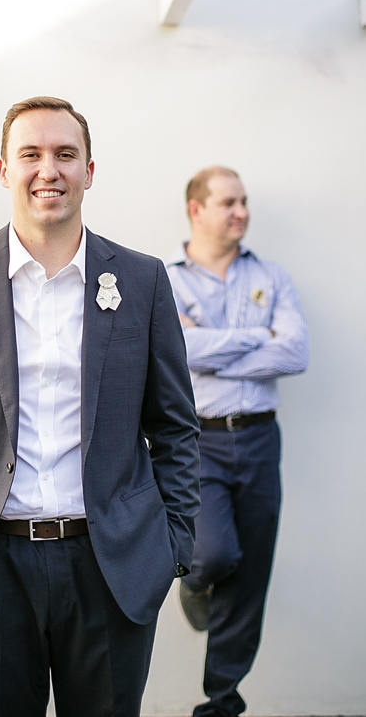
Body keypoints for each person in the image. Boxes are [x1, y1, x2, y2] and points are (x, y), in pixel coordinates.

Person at [0, 95, 200, 717]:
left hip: (112, 566)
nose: (48, 169)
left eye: (65, 154)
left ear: (90, 171)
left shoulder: (143, 279)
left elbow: (176, 426)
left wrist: (174, 542)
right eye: (31, 154)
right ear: (3, 170)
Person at [166, 165, 309, 717]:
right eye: (229, 202)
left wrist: (209, 345)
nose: (241, 211)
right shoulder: (168, 280)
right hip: (194, 441)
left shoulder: (272, 277)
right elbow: (176, 352)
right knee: (211, 555)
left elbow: (295, 354)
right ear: (196, 209)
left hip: (258, 439)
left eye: (244, 201)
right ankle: (193, 585)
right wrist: (258, 338)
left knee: (250, 574)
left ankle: (222, 700)